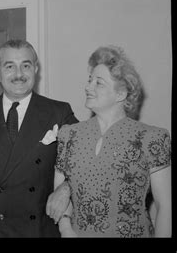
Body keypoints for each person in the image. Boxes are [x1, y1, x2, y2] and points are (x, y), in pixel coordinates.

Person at [49, 45, 171, 238]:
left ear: (121, 94)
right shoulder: (69, 135)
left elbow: (166, 207)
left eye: (99, 83)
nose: (87, 87)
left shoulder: (152, 138)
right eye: (90, 80)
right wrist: (66, 230)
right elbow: (61, 194)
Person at [0, 39, 79, 237]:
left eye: (25, 65)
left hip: (41, 228)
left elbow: (86, 160)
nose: (18, 74)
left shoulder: (59, 112)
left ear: (35, 69)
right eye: (10, 66)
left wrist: (66, 188)